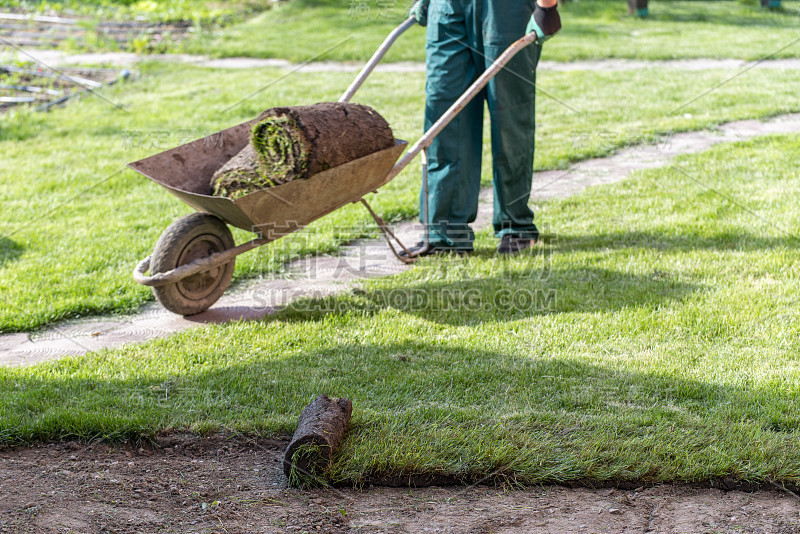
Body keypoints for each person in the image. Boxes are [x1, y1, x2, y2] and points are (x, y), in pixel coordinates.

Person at [402, 0, 561, 256]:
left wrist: (546, 6)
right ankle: (445, 234)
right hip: (448, 8)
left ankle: (515, 227)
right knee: (445, 114)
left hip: (506, 10)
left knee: (508, 116)